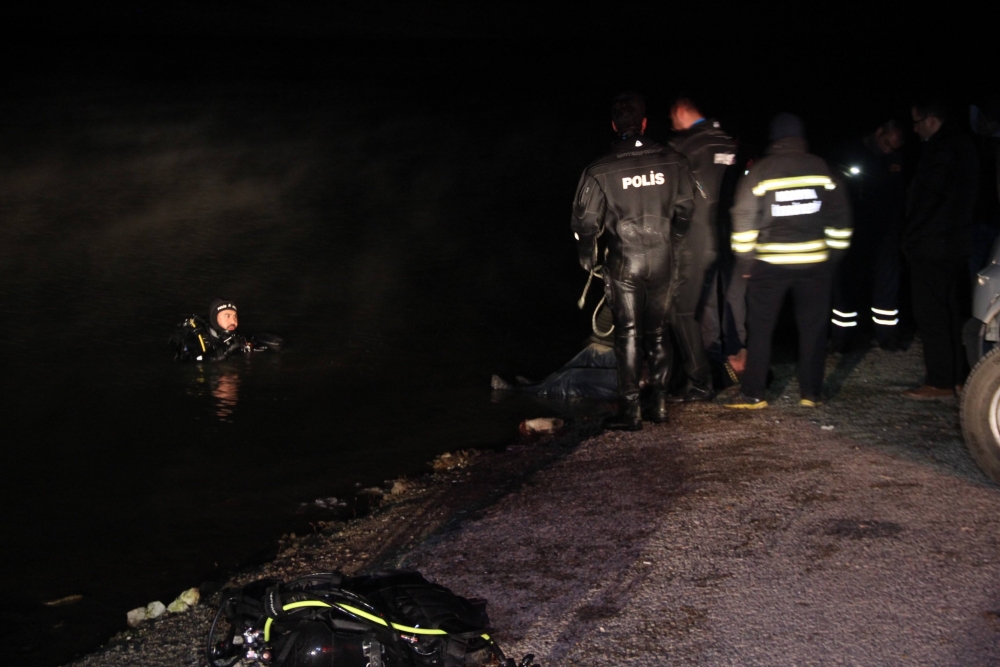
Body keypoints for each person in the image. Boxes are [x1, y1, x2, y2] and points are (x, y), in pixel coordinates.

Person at [571, 91, 695, 430]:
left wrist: (587, 255)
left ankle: (631, 412)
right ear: (643, 123)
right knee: (657, 332)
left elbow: (585, 223)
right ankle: (659, 405)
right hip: (662, 257)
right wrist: (675, 241)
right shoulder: (674, 160)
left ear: (614, 126)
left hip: (625, 261)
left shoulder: (600, 169)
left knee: (627, 334)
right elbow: (686, 209)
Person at [724, 113, 852, 409]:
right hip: (815, 264)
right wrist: (832, 256)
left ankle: (754, 394)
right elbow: (841, 218)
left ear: (775, 139)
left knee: (760, 330)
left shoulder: (761, 171)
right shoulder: (821, 168)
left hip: (770, 264)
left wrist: (746, 263)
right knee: (813, 329)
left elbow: (743, 217)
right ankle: (811, 393)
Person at [902, 99, 979, 399]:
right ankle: (957, 377)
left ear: (932, 120)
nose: (915, 129)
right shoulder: (962, 145)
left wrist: (911, 232)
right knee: (949, 311)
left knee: (931, 312)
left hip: (933, 243)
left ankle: (940, 380)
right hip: (954, 242)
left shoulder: (942, 150)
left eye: (917, 122)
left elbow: (931, 196)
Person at [666, 97, 738, 402]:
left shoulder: (686, 146)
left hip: (696, 237)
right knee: (716, 303)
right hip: (727, 235)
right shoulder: (728, 141)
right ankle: (719, 362)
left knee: (685, 308)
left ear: (682, 112)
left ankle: (700, 376)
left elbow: (671, 195)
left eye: (673, 119)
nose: (673, 126)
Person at [829, 120, 906, 351]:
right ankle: (843, 339)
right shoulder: (849, 151)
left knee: (886, 288)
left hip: (885, 234)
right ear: (879, 131)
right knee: (846, 287)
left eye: (893, 147)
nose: (888, 149)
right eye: (886, 143)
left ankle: (887, 336)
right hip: (853, 231)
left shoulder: (895, 159)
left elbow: (900, 194)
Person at [169, 298, 282, 361]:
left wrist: (264, 342)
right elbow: (189, 361)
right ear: (214, 319)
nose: (233, 321)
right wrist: (225, 352)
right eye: (227, 316)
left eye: (235, 316)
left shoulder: (234, 338)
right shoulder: (196, 337)